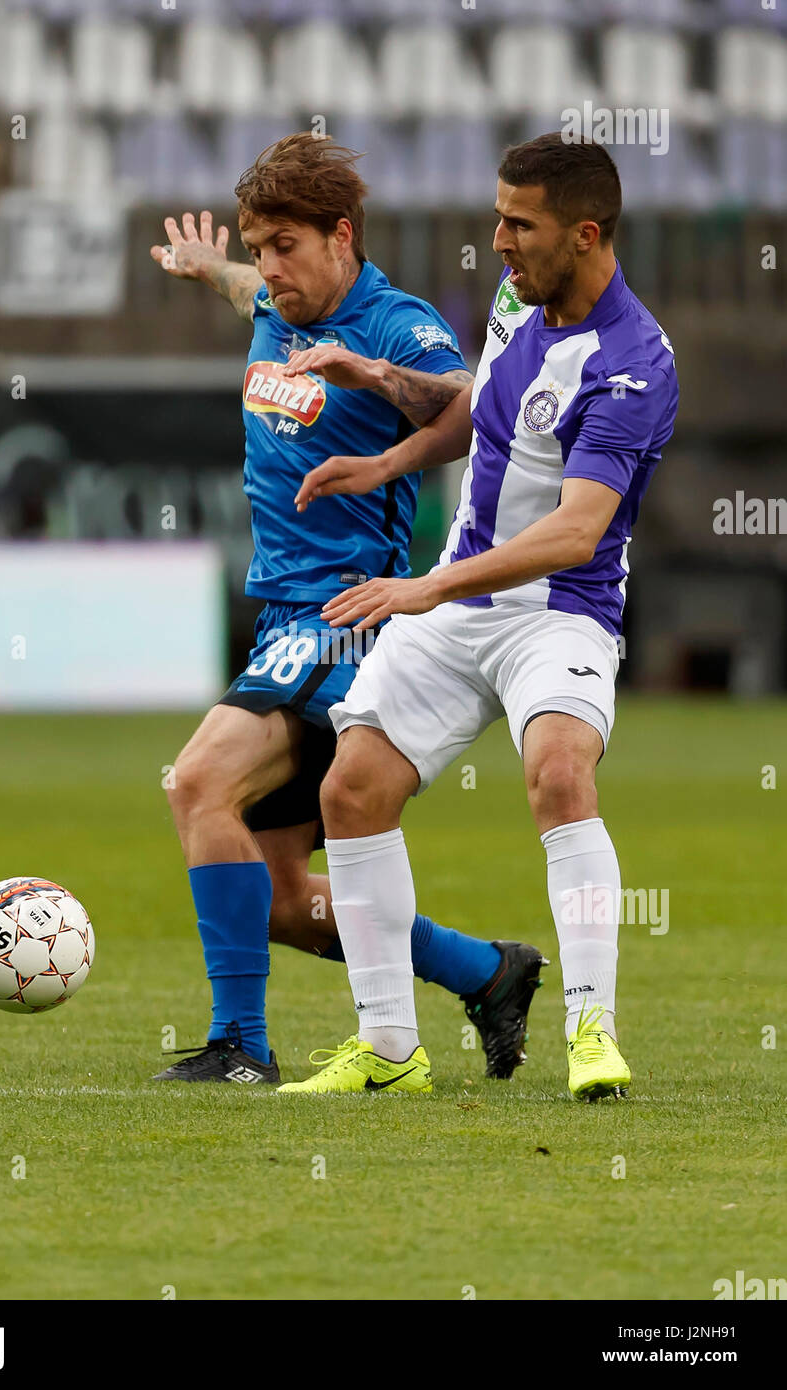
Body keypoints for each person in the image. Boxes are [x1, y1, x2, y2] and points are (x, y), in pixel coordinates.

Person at [280, 134, 678, 1100]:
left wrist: (422, 588)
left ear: (585, 235)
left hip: (559, 613)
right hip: (463, 595)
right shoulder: (517, 299)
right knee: (352, 792)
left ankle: (592, 1030)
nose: (496, 241)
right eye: (498, 216)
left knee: (556, 774)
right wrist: (387, 459)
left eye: (519, 224)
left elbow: (577, 533)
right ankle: (388, 1046)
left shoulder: (633, 363)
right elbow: (484, 404)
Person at [148, 133, 546, 1085]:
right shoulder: (274, 306)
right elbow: (253, 300)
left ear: (342, 235)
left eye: (284, 244)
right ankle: (488, 973)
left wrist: (372, 379)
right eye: (256, 243)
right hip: (280, 615)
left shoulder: (393, 323)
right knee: (283, 901)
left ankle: (240, 1047)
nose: (269, 266)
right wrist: (217, 272)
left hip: (344, 615)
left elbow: (470, 403)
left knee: (197, 783)